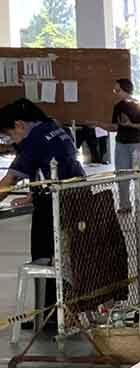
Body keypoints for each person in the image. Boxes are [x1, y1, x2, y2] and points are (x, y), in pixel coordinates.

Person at [0, 99, 86, 319]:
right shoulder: (55, 127)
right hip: (76, 196)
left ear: (19, 124)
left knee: (43, 259)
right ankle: (60, 313)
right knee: (64, 256)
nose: (11, 140)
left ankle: (47, 317)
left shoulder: (33, 141)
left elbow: (7, 183)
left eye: (9, 135)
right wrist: (33, 193)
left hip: (52, 205)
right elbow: (54, 165)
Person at [91, 79, 140, 213]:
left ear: (126, 90)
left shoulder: (139, 105)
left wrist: (131, 125)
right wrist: (98, 124)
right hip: (122, 144)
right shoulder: (118, 106)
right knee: (121, 174)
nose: (115, 93)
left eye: (117, 90)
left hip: (138, 143)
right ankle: (125, 205)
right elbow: (115, 127)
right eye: (115, 90)